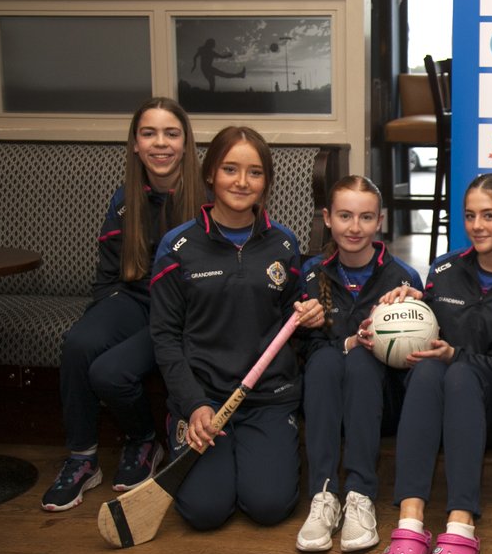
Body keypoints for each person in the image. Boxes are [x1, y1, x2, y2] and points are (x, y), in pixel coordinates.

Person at [375, 173, 492, 554]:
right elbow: (427, 334)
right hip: (442, 404)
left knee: (460, 373)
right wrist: (403, 315)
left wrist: (459, 356)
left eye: (489, 215)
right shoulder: (444, 270)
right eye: (470, 215)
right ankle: (411, 522)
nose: (477, 225)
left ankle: (460, 525)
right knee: (432, 368)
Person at [150, 126, 324, 531]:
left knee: (269, 506)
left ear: (267, 182)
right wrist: (193, 403)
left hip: (267, 398)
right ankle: (178, 430)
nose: (242, 182)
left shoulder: (283, 243)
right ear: (210, 174)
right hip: (205, 401)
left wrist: (308, 315)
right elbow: (164, 337)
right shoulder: (177, 248)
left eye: (255, 172)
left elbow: (291, 315)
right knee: (204, 512)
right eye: (230, 169)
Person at [42, 97, 202, 512]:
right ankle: (82, 458)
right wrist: (110, 317)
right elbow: (109, 278)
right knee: (79, 342)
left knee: (110, 371)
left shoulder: (205, 196)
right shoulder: (125, 198)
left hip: (180, 313)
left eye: (171, 133)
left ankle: (143, 441)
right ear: (134, 144)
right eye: (149, 133)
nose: (160, 143)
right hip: (131, 298)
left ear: (186, 142)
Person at [295, 176, 423, 553]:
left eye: (366, 217)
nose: (355, 227)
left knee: (364, 363)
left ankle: (360, 493)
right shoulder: (310, 273)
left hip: (382, 404)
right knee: (324, 362)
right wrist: (348, 341)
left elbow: (418, 353)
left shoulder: (403, 277)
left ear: (379, 221)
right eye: (345, 216)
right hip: (328, 398)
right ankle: (324, 495)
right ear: (327, 218)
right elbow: (306, 346)